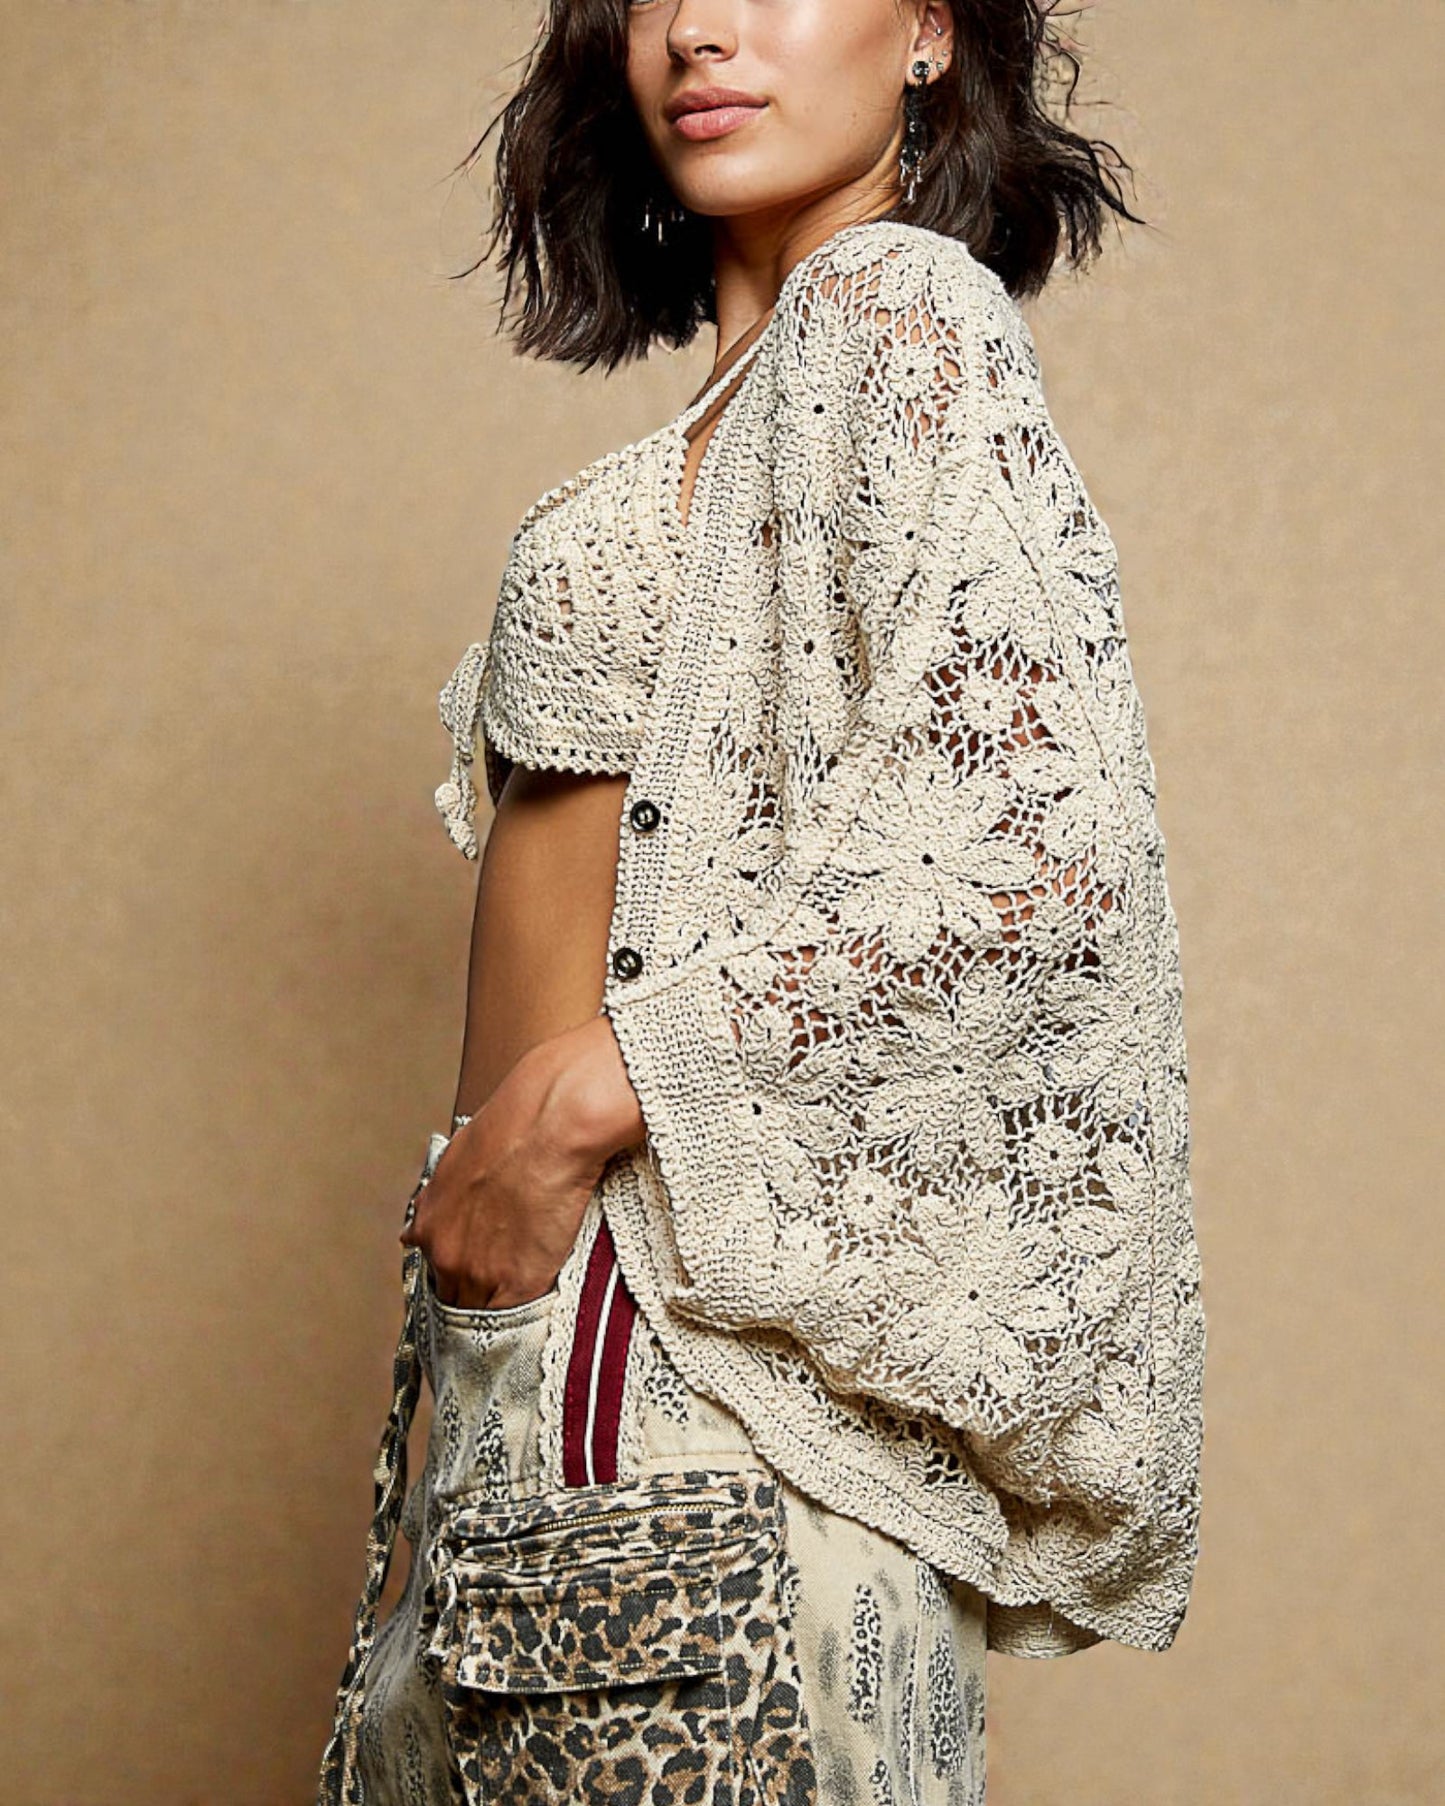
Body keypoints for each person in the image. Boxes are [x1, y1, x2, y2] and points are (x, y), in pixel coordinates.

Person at [318, 3, 1206, 1802]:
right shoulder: (761, 382)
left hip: (673, 1366)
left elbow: (1034, 854)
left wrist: (572, 1103)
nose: (699, 31)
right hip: (566, 1355)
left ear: (931, 32)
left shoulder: (894, 312)